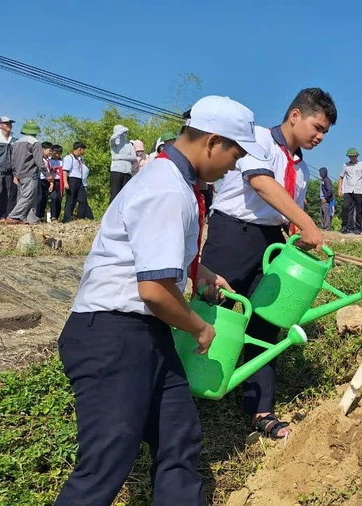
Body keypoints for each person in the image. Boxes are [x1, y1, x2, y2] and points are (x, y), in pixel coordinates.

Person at [54, 95, 267, 505]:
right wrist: (199, 326)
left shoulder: (173, 182)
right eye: (235, 154)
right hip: (112, 335)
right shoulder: (168, 189)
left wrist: (197, 272)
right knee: (105, 463)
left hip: (144, 335)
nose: (234, 166)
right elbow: (152, 291)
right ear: (213, 142)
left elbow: (148, 256)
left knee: (177, 437)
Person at [201, 87, 334, 440]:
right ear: (295, 115)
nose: (319, 137)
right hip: (233, 235)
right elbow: (260, 183)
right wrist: (307, 222)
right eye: (317, 127)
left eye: (324, 133)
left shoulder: (301, 169)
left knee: (266, 325)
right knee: (215, 311)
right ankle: (192, 389)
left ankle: (260, 410)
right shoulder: (256, 138)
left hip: (271, 243)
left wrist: (299, 237)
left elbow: (285, 213)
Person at [8, 121, 45, 224]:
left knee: (22, 196)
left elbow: (13, 160)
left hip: (19, 173)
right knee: (28, 196)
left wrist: (15, 174)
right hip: (30, 173)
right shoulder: (35, 142)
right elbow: (39, 161)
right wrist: (47, 174)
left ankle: (27, 218)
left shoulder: (16, 143)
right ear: (35, 132)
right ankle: (14, 216)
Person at [0, 116, 18, 223]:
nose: (9, 125)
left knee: (8, 192)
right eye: (6, 123)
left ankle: (2, 215)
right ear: (0, 125)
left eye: (10, 123)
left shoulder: (14, 140)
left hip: (10, 170)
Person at [337, 148, 362, 234]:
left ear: (357, 156)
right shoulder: (345, 165)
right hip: (348, 190)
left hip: (359, 190)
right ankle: (345, 226)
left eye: (354, 156)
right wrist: (339, 188)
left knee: (359, 209)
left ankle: (358, 227)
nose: (352, 158)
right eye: (351, 156)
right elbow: (341, 177)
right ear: (348, 157)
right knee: (345, 207)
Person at [62, 141, 91, 222]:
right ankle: (67, 218)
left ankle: (81, 217)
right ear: (79, 149)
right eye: (83, 150)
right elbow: (65, 171)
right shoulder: (69, 158)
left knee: (83, 199)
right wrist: (65, 182)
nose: (84, 152)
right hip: (71, 179)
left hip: (79, 180)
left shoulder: (80, 159)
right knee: (71, 200)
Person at [109, 124, 138, 202]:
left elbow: (134, 157)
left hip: (127, 172)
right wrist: (121, 130)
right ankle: (112, 213)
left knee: (126, 195)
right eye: (123, 132)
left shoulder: (129, 144)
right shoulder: (115, 144)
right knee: (115, 194)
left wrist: (120, 157)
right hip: (117, 170)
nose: (124, 134)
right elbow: (112, 138)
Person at [318, 166, 333, 230]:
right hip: (322, 199)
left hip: (325, 200)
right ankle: (324, 226)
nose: (320, 174)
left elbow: (329, 190)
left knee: (326, 213)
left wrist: (326, 198)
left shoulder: (327, 180)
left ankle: (327, 227)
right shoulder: (323, 180)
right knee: (323, 213)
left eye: (321, 172)